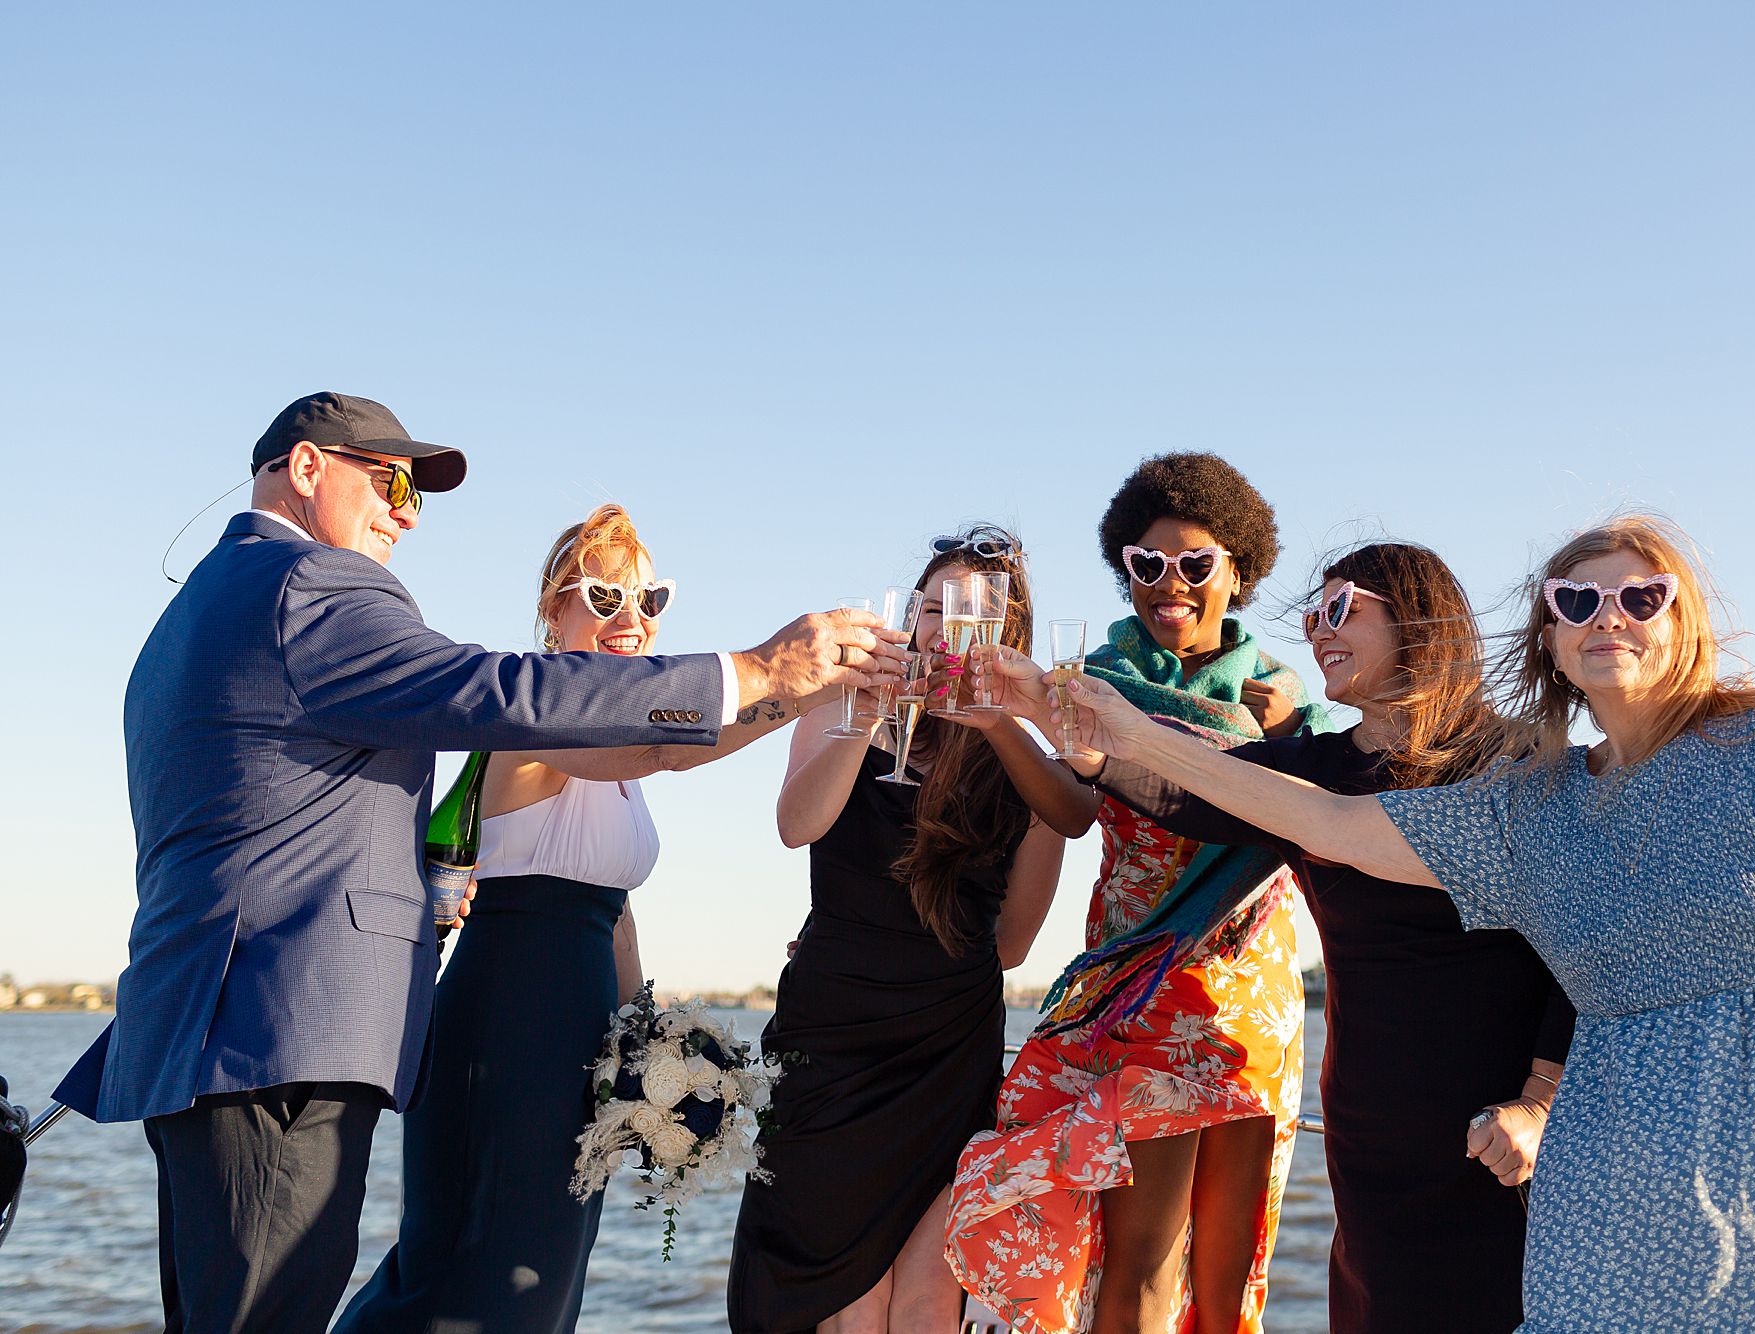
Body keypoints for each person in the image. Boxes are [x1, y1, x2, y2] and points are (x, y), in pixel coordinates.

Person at [52, 392, 905, 1334]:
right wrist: (766, 672)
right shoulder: (311, 587)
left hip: (223, 1033)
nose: (406, 512)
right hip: (282, 1034)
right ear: (305, 468)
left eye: (417, 495)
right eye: (391, 481)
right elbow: (497, 691)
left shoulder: (200, 610)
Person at [1048, 514, 1755, 1331]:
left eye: (1640, 598)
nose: (1607, 620)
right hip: (1600, 1213)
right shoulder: (1536, 809)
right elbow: (1312, 817)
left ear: (1687, 620)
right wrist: (1114, 732)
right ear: (1548, 639)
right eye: (1575, 604)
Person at [1010, 540, 1574, 1332]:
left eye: (1341, 609)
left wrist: (1540, 1102)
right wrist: (1063, 727)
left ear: (1416, 619)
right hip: (1372, 1126)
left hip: (1509, 1127)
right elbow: (1187, 793)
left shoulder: (1521, 762)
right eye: (1313, 614)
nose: (1318, 631)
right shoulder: (1315, 770)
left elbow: (1583, 948)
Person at [337, 504, 831, 1332]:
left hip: (582, 1031)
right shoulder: (537, 725)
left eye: (649, 599)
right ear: (553, 613)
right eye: (603, 598)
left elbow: (615, 913)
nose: (631, 619)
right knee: (474, 1273)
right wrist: (792, 684)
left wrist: (645, 1043)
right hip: (507, 1026)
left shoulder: (625, 757)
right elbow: (669, 746)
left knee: (548, 1275)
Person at [946, 454, 1323, 1334]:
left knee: (1232, 1275)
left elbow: (1336, 814)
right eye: (1146, 564)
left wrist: (1292, 727)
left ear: (1239, 571)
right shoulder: (1093, 682)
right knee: (1142, 1263)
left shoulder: (1284, 697)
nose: (1172, 585)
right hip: (1145, 981)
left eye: (1197, 564)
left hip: (1251, 993)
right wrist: (1013, 722)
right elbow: (1074, 811)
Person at [728, 529, 1070, 1333]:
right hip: (833, 1039)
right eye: (930, 608)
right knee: (841, 1297)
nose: (944, 627)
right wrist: (867, 714)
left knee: (924, 1297)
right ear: (908, 620)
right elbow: (796, 825)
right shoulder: (842, 702)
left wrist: (999, 725)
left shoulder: (1023, 759)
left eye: (969, 612)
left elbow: (1013, 941)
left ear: (1003, 632)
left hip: (946, 1047)